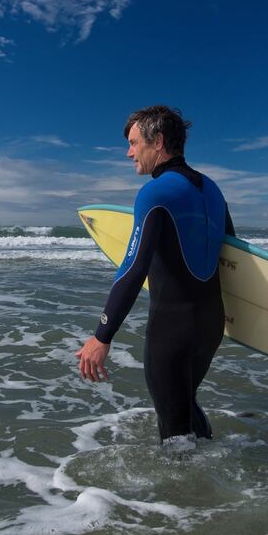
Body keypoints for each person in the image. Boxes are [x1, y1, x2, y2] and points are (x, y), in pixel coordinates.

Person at [75, 105, 234, 442]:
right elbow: (233, 257)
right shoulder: (213, 190)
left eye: (134, 143)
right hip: (210, 325)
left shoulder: (155, 193)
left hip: (173, 329)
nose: (129, 152)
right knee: (184, 405)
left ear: (158, 141)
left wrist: (102, 335)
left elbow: (133, 269)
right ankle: (216, 473)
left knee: (174, 432)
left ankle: (185, 493)